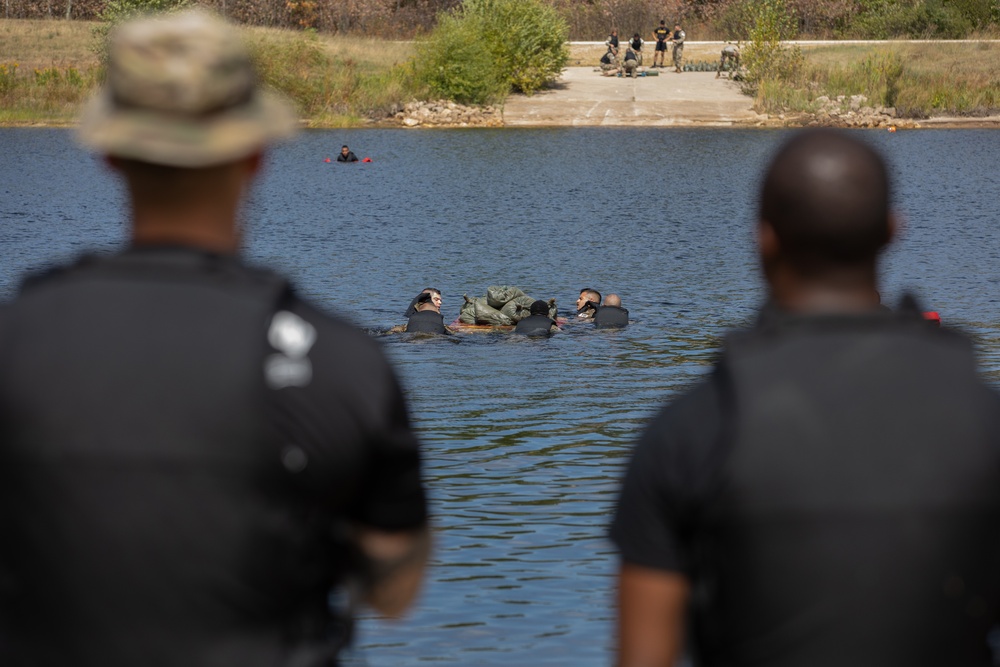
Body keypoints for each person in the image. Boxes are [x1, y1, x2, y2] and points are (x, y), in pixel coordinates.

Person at [0, 10, 430, 666]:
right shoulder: (342, 362)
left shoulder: (15, 339)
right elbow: (396, 589)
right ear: (255, 155)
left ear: (110, 152)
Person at [610, 130, 1000, 667]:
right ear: (891, 232)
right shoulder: (985, 422)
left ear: (764, 238)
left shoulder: (687, 435)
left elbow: (643, 656)